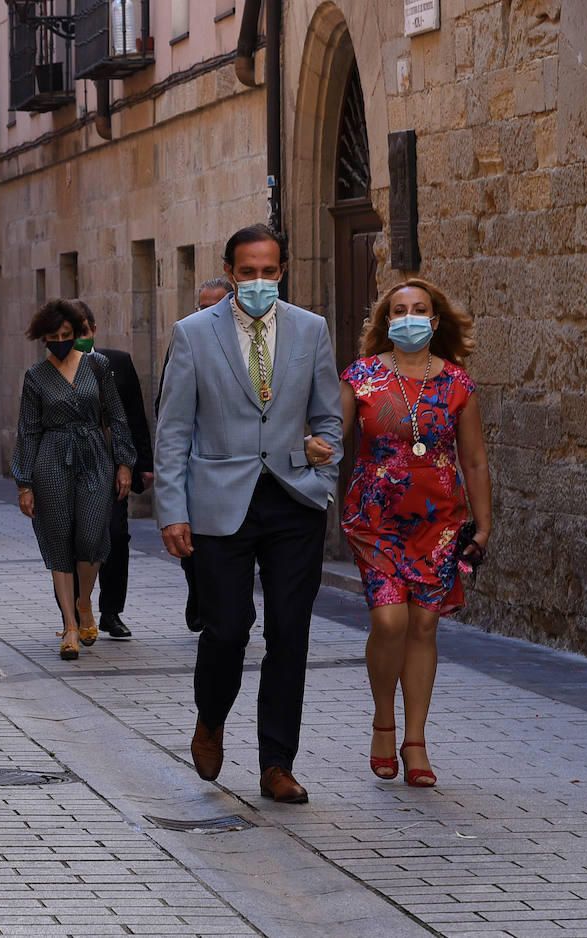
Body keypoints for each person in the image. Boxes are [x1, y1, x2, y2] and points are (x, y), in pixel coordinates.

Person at [153, 224, 342, 805]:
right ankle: (211, 719)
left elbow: (330, 419)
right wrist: (171, 510)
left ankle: (276, 762)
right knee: (227, 629)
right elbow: (174, 429)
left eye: (269, 270)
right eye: (248, 271)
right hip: (218, 502)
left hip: (292, 500)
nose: (259, 280)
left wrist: (323, 478)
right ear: (230, 272)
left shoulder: (312, 330)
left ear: (282, 271)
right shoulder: (193, 335)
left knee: (290, 632)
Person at [334, 278, 491, 788]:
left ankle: (415, 740)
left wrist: (483, 523)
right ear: (385, 321)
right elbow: (331, 438)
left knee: (424, 626)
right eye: (399, 310)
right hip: (376, 518)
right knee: (389, 621)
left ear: (435, 319)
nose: (409, 317)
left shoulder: (457, 383)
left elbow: (472, 458)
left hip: (439, 523)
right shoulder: (360, 377)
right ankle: (384, 720)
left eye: (418, 309)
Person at [12, 299, 136, 660]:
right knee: (58, 537)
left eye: (67, 335)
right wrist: (24, 483)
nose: (61, 341)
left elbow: (117, 415)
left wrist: (124, 462)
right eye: (54, 336)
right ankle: (69, 625)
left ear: (77, 333)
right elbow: (28, 431)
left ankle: (85, 603)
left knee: (93, 533)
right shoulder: (36, 376)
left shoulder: (98, 366)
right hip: (51, 459)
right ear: (43, 337)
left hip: (95, 456)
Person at [73, 301, 153, 639]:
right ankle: (77, 608)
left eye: (81, 331)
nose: (75, 339)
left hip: (111, 467)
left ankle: (111, 611)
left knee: (117, 536)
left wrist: (141, 466)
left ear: (93, 329)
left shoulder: (117, 363)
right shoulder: (48, 370)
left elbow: (135, 414)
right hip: (69, 467)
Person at [164, 278, 233, 633]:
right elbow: (169, 412)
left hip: (234, 470)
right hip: (195, 467)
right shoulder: (187, 338)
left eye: (213, 308)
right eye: (201, 308)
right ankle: (199, 597)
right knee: (195, 552)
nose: (206, 314)